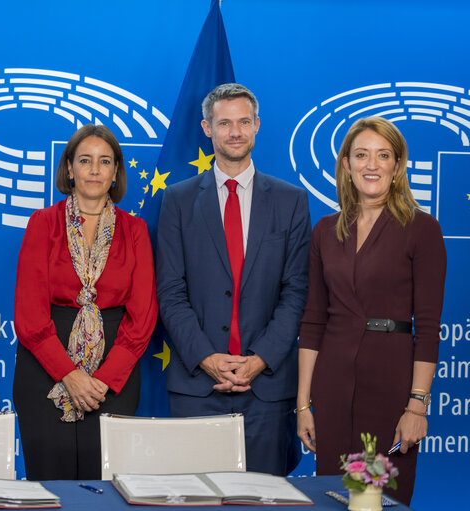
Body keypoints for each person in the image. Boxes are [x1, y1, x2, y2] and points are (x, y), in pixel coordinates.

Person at [156, 83, 311, 476]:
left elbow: (296, 291)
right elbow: (171, 292)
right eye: (224, 123)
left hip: (267, 389)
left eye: (244, 122)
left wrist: (259, 360)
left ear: (257, 125)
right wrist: (207, 358)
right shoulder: (177, 199)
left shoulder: (291, 200)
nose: (235, 132)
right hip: (196, 386)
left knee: (264, 501)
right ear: (207, 128)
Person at [296, 117, 446, 504]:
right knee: (331, 495)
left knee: (378, 499)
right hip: (332, 383)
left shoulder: (422, 228)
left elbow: (428, 328)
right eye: (361, 155)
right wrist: (303, 405)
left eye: (383, 155)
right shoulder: (326, 230)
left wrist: (417, 405)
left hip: (391, 385)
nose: (372, 164)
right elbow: (313, 321)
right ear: (346, 164)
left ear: (397, 167)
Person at [12, 124, 157, 480]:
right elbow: (29, 315)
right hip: (45, 372)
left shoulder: (135, 230)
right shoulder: (42, 223)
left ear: (115, 173)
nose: (94, 169)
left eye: (104, 161)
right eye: (85, 160)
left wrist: (103, 380)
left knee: (107, 492)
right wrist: (70, 375)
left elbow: (142, 317)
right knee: (52, 490)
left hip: (114, 377)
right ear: (69, 169)